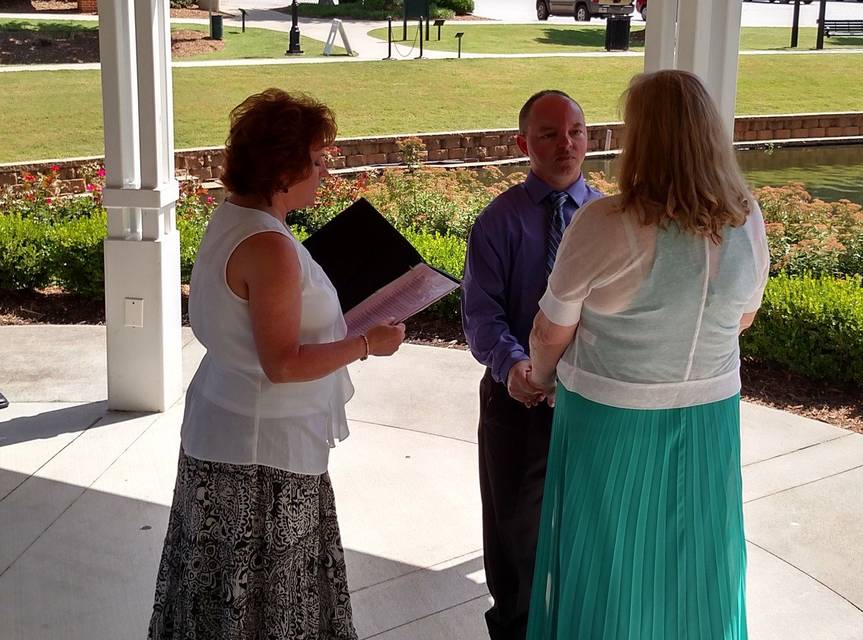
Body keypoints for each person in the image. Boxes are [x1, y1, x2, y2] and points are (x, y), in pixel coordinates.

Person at [148, 88, 405, 640]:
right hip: (261, 458)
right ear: (282, 169)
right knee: (267, 606)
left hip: (231, 432)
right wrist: (366, 343)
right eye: (316, 161)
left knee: (220, 599)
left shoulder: (237, 217)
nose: (324, 172)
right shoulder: (269, 246)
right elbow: (283, 364)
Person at [525, 70, 770, 640]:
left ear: (643, 138)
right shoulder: (745, 217)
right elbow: (742, 318)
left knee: (610, 565)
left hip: (613, 421)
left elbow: (549, 331)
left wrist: (539, 379)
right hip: (710, 416)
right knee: (697, 564)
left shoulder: (605, 223)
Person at [461, 89, 602, 640]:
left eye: (576, 131)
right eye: (549, 134)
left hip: (592, 403)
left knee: (587, 534)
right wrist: (518, 368)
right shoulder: (498, 222)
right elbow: (481, 316)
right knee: (514, 542)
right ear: (524, 144)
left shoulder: (609, 220)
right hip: (514, 404)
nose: (566, 144)